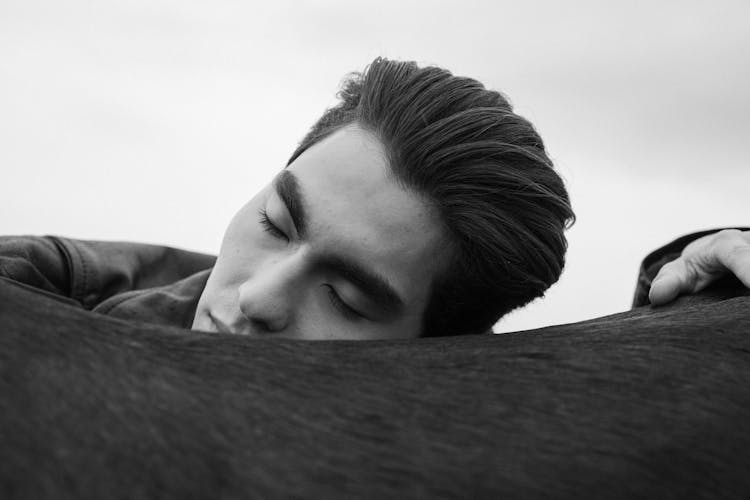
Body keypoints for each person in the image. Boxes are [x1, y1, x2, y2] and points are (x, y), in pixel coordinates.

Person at [1, 58, 748, 340]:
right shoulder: (60, 286)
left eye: (350, 300)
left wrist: (693, 290)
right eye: (275, 221)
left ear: (440, 353)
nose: (257, 297)